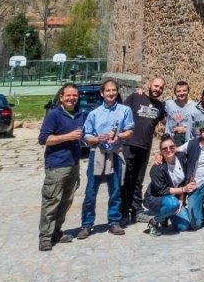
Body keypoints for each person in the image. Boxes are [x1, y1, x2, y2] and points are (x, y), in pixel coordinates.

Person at [78, 79, 135, 238]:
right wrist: (98, 139)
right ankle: (87, 224)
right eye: (108, 91)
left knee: (116, 190)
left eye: (114, 90)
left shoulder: (125, 110)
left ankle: (113, 222)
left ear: (117, 92)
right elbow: (87, 136)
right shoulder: (94, 114)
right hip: (97, 154)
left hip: (116, 153)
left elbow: (130, 131)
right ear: (102, 93)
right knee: (91, 191)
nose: (111, 93)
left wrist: (119, 135)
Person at [37, 83, 85, 251]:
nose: (72, 98)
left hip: (73, 164)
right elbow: (43, 139)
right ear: (61, 97)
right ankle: (45, 237)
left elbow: (84, 136)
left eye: (75, 95)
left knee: (66, 200)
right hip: (56, 166)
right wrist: (68, 137)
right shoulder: (54, 115)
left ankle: (56, 231)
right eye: (69, 95)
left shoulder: (80, 114)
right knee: (51, 201)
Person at [120, 76, 166, 225]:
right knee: (126, 179)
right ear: (149, 85)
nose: (157, 89)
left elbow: (164, 122)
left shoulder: (160, 106)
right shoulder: (135, 97)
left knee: (138, 180)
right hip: (129, 144)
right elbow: (121, 112)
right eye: (155, 86)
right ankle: (123, 212)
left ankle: (137, 211)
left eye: (160, 88)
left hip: (145, 147)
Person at [142, 135, 194, 235]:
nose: (169, 150)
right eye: (165, 149)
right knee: (172, 204)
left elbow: (185, 180)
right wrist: (183, 190)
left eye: (171, 147)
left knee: (183, 227)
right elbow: (162, 191)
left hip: (175, 198)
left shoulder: (182, 158)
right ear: (161, 151)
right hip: (156, 198)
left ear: (175, 147)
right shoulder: (157, 168)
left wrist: (181, 200)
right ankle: (154, 221)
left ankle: (166, 215)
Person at [164, 80, 198, 146]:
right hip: (171, 141)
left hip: (189, 141)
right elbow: (155, 106)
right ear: (175, 92)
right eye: (178, 91)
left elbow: (199, 124)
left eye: (184, 91)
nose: (181, 93)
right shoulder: (168, 104)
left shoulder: (195, 106)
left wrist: (186, 129)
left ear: (188, 91)